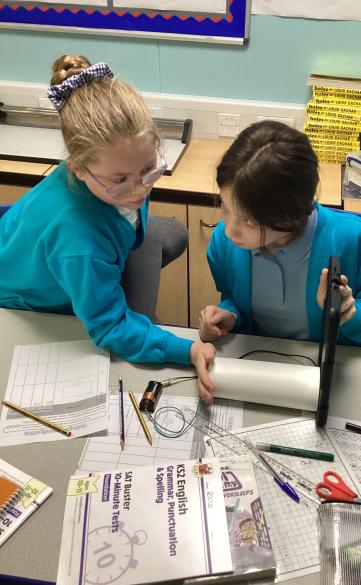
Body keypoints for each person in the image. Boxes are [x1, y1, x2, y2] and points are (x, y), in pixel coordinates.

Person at [0, 54, 215, 402]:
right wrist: (187, 349)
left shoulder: (115, 168)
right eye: (120, 180)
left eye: (149, 169)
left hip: (69, 253)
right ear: (77, 168)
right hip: (32, 301)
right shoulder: (79, 243)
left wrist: (125, 185)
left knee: (168, 234)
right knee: (136, 332)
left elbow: (129, 190)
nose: (140, 190)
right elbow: (111, 327)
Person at [199, 120, 361, 347]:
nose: (229, 230)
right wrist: (230, 316)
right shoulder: (223, 243)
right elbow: (233, 298)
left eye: (249, 220)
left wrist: (351, 315)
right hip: (259, 358)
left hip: (332, 360)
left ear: (291, 215)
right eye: (225, 206)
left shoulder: (354, 239)